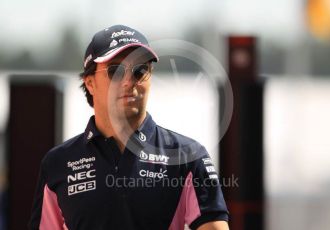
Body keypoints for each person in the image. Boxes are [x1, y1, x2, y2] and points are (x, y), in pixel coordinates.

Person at [28, 24, 230, 230]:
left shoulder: (188, 155)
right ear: (90, 83)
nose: (128, 81)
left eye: (140, 70)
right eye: (115, 70)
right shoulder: (57, 163)